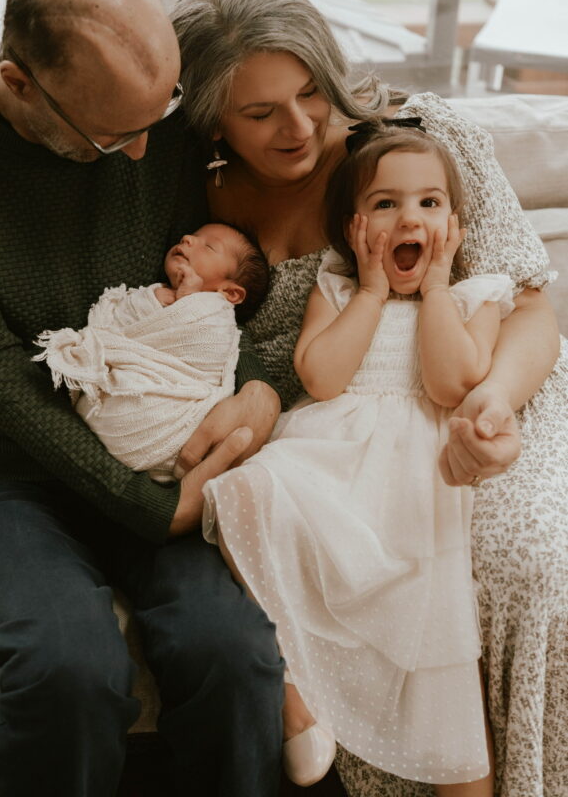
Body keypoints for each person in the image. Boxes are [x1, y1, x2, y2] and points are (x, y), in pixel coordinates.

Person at [0, 0, 284, 797]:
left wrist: (258, 390)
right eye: (111, 138)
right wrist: (146, 506)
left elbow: (208, 304)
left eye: (158, 117)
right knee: (69, 668)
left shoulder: (158, 123)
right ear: (19, 83)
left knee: (234, 654)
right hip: (7, 474)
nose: (142, 153)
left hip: (161, 449)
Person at [171, 0, 568, 797]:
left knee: (526, 562)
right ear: (212, 122)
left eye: (311, 92)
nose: (298, 126)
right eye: (259, 113)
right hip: (347, 438)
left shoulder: (422, 141)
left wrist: (491, 404)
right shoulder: (195, 202)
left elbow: (529, 303)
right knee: (343, 557)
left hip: (487, 396)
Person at [205, 121, 512, 792]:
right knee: (244, 490)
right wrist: (371, 292)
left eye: (429, 203)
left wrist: (435, 288)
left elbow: (450, 383)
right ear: (353, 228)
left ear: (453, 227)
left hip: (413, 483)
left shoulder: (476, 296)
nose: (410, 218)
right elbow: (321, 379)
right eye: (385, 204)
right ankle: (293, 687)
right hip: (334, 460)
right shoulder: (338, 289)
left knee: (443, 681)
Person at [34, 222, 269, 481]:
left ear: (230, 292)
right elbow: (114, 327)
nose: (187, 238)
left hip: (172, 416)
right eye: (193, 235)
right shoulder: (150, 292)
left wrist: (189, 302)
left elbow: (206, 353)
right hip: (115, 401)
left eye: (209, 246)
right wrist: (150, 302)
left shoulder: (217, 316)